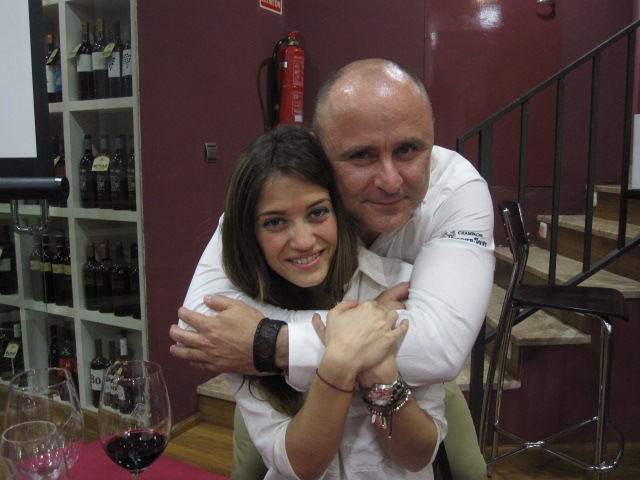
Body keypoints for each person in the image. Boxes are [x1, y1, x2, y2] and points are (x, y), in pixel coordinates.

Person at [170, 58, 495, 479]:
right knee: (252, 467)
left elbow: (441, 348)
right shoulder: (295, 185)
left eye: (408, 150)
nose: (390, 181)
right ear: (319, 154)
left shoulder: (458, 192)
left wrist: (270, 342)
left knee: (468, 469)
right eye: (360, 155)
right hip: (287, 390)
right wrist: (363, 331)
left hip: (405, 375)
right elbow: (203, 324)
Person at [214, 123, 447, 479]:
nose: (303, 241)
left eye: (317, 213)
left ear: (339, 210)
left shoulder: (402, 284)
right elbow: (300, 465)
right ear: (250, 234)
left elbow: (418, 456)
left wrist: (380, 376)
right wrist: (343, 356)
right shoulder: (242, 323)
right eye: (275, 222)